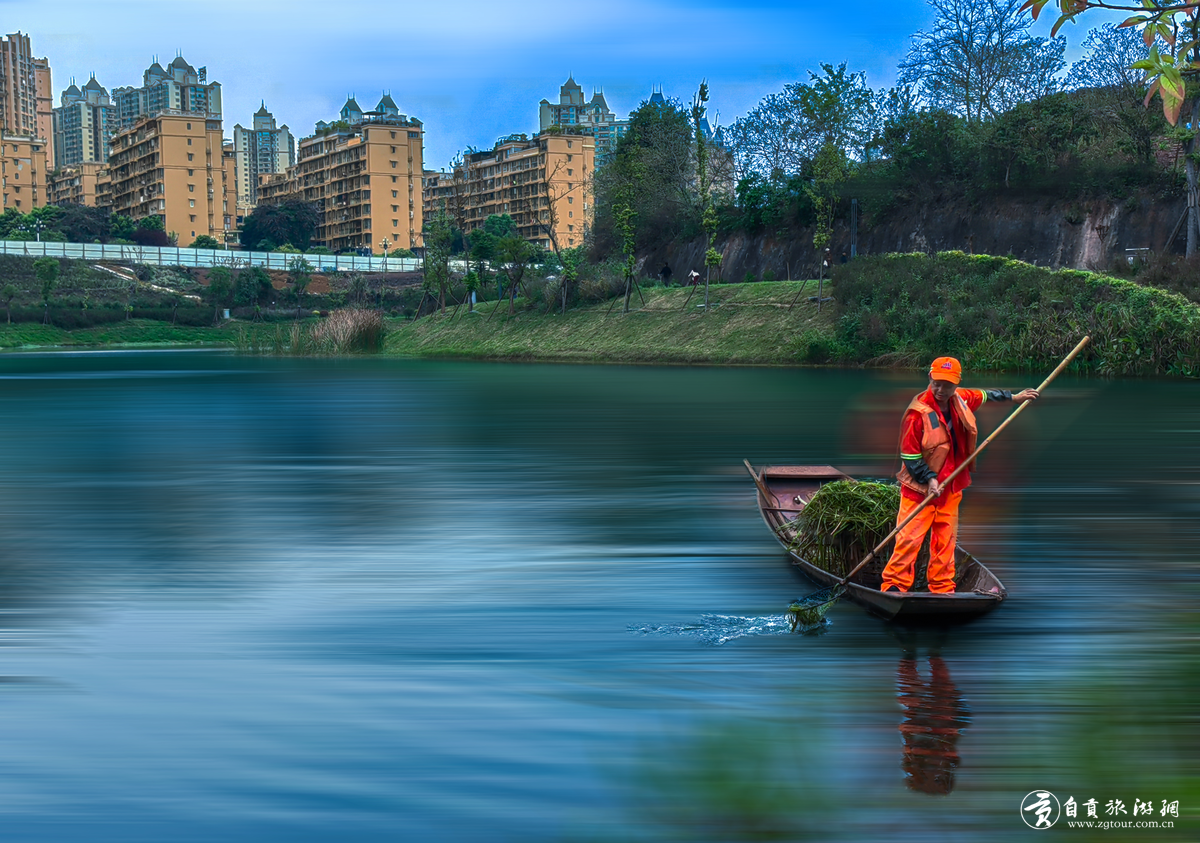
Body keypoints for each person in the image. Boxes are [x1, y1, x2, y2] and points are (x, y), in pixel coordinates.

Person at [880, 357, 1039, 594]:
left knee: (946, 541)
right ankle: (895, 585)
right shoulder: (917, 414)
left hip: (951, 488)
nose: (941, 390)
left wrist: (1013, 397)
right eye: (937, 384)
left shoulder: (961, 398)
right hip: (919, 490)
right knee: (909, 539)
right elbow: (910, 455)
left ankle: (942, 586)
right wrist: (929, 478)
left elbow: (985, 395)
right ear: (929, 378)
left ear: (957, 383)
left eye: (947, 385)